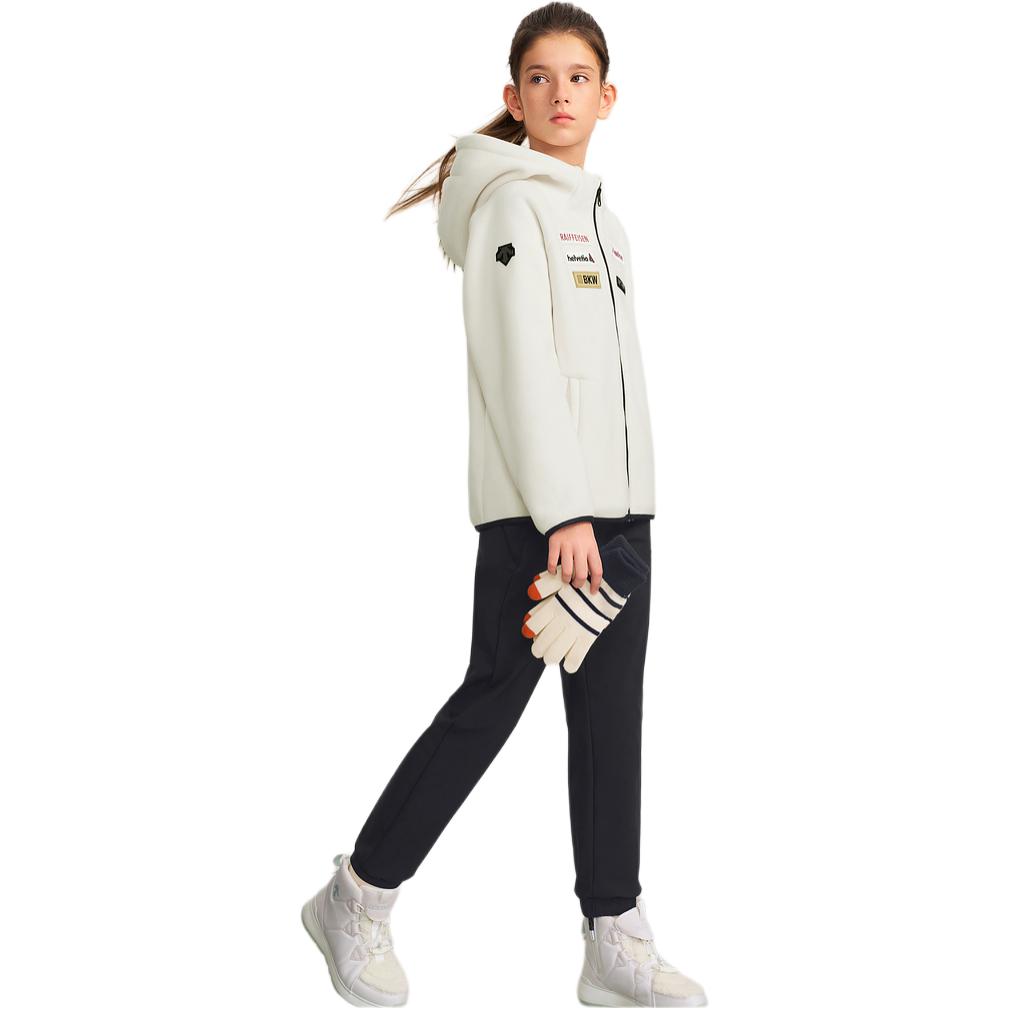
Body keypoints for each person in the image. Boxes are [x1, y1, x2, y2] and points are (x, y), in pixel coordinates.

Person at [301, 5, 708, 1007]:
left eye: (578, 77)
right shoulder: (509, 211)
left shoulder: (605, 221)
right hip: (545, 518)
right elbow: (518, 367)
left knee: (610, 720)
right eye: (540, 77)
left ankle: (612, 932)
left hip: (620, 518)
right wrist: (564, 512)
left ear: (607, 98)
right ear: (512, 97)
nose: (560, 93)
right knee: (492, 700)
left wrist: (620, 512)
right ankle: (354, 896)